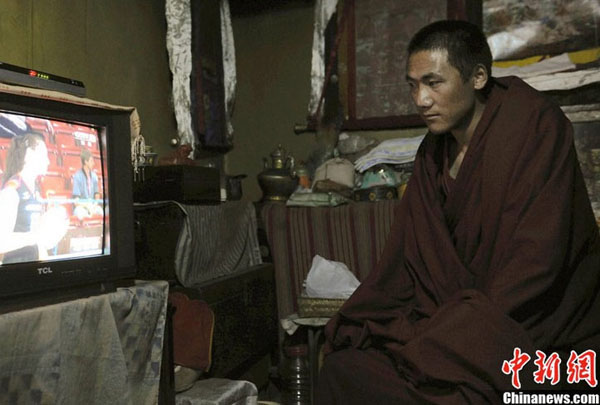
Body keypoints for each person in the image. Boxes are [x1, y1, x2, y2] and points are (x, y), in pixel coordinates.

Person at [315, 20, 600, 403]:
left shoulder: (534, 126)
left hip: (531, 325)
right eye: (412, 85)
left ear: (478, 77)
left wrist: (455, 332)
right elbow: (404, 260)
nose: (421, 99)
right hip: (452, 321)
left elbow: (538, 260)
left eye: (434, 83)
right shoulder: (432, 153)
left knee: (455, 387)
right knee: (344, 367)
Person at [0, 132, 68, 264]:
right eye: (44, 155)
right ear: (29, 155)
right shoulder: (12, 190)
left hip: (34, 270)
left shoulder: (35, 189)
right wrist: (36, 236)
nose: (48, 161)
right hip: (17, 274)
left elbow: (37, 239)